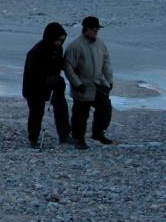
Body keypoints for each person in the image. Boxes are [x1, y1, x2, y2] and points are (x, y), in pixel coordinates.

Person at [63, 16, 114, 149]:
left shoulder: (100, 43)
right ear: (86, 29)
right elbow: (68, 67)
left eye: (97, 29)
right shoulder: (75, 46)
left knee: (105, 109)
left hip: (98, 83)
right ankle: (78, 138)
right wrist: (77, 84)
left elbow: (106, 62)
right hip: (83, 86)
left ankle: (98, 133)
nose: (96, 31)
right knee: (81, 114)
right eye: (94, 29)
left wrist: (109, 80)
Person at [22, 22, 72, 148]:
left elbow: (58, 66)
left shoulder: (57, 49)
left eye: (62, 40)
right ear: (50, 38)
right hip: (33, 88)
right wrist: (49, 79)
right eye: (57, 40)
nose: (59, 42)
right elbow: (35, 73)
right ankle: (33, 139)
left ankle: (64, 135)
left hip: (53, 85)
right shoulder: (36, 52)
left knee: (61, 107)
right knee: (36, 113)